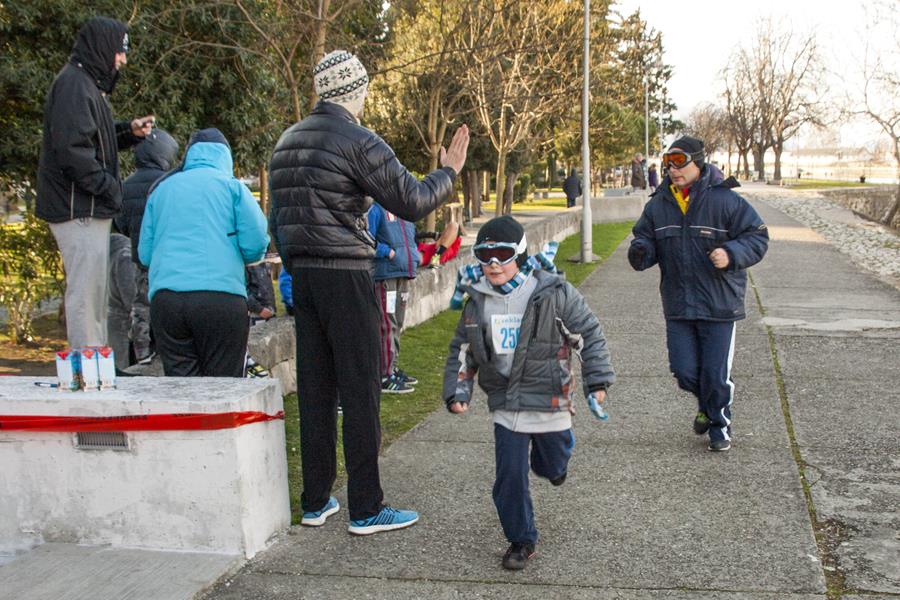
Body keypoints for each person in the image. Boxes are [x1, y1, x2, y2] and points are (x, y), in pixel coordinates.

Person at [268, 49, 469, 535]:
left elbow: (278, 220)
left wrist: (297, 266)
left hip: (305, 278)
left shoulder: (287, 142)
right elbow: (413, 200)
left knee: (316, 391)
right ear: (356, 91)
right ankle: (365, 506)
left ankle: (316, 501)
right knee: (361, 389)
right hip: (346, 273)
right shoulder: (357, 139)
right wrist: (448, 172)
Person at [443, 215, 615, 571]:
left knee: (551, 463)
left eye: (503, 255)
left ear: (520, 255)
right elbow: (463, 349)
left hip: (550, 397)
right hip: (506, 402)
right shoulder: (477, 301)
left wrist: (596, 383)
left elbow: (588, 335)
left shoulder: (553, 293)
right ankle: (521, 539)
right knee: (509, 476)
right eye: (484, 255)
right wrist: (458, 389)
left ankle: (552, 463)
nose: (493, 264)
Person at [627, 135, 769, 452]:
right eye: (668, 162)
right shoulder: (659, 204)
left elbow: (757, 237)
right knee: (684, 371)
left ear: (698, 162)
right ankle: (707, 405)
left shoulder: (726, 200)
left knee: (715, 375)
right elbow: (644, 237)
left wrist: (731, 253)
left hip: (720, 305)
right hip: (678, 304)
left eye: (679, 161)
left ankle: (719, 425)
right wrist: (641, 251)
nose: (673, 169)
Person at [35, 16, 155, 349]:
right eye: (120, 51)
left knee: (94, 296)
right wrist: (110, 188)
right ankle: (87, 368)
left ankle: (96, 365)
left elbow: (91, 137)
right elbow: (73, 151)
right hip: (79, 209)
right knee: (86, 298)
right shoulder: (74, 86)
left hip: (87, 207)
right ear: (103, 48)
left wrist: (128, 132)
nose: (123, 60)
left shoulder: (84, 85)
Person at [139, 128, 269, 377]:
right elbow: (255, 243)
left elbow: (145, 254)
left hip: (167, 300)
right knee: (223, 386)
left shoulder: (162, 190)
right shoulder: (232, 188)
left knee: (182, 388)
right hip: (220, 298)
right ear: (225, 156)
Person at [117, 129, 180, 364]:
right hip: (169, 258)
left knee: (141, 305)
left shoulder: (125, 186)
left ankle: (142, 351)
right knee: (167, 304)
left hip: (141, 258)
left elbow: (121, 224)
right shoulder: (171, 183)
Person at [368, 202, 420, 394]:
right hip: (385, 274)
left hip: (403, 273)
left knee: (397, 322)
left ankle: (392, 367)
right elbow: (366, 239)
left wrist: (414, 257)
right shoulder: (377, 209)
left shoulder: (405, 211)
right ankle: (384, 374)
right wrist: (388, 253)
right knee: (386, 324)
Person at [107, 229, 136, 371]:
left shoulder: (105, 251)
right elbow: (131, 298)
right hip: (125, 326)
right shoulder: (125, 255)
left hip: (110, 322)